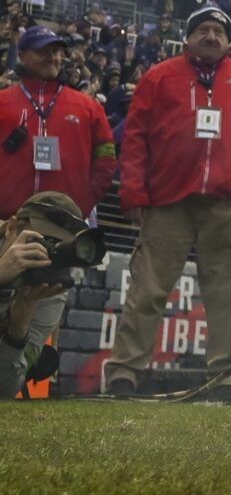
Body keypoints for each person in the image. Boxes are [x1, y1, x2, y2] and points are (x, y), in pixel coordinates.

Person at [104, 5, 231, 397]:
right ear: (187, 37)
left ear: (229, 42)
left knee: (227, 294)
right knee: (147, 289)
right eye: (203, 29)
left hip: (229, 205)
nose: (211, 37)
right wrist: (132, 191)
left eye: (219, 31)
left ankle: (228, 376)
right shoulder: (159, 77)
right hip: (168, 203)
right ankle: (124, 373)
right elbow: (135, 139)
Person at [0, 25, 115, 397]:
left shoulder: (88, 107)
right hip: (7, 229)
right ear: (23, 55)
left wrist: (79, 207)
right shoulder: (3, 102)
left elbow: (106, 162)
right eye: (44, 50)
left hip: (61, 235)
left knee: (45, 311)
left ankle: (21, 380)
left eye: (59, 51)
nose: (54, 57)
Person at [0, 192, 89, 400]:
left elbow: (4, 390)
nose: (44, 254)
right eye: (38, 241)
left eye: (56, 247)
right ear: (12, 228)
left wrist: (17, 331)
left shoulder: (50, 287)